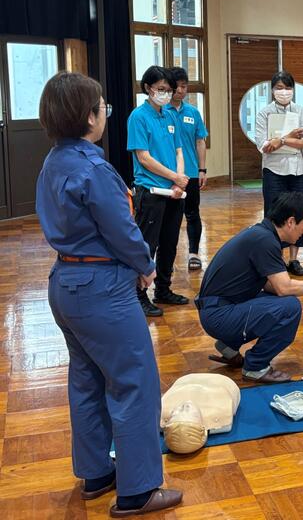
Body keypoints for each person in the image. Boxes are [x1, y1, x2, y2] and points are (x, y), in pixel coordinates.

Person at [35, 72, 182, 516]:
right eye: (103, 108)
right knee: (135, 382)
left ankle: (97, 473)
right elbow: (122, 230)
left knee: (86, 381)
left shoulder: (52, 162)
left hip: (65, 283)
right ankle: (138, 490)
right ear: (89, 116)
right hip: (101, 289)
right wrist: (146, 266)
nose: (105, 115)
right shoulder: (94, 169)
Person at [196, 192, 303, 383]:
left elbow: (272, 285)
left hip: (216, 309)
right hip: (218, 315)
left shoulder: (262, 234)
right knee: (290, 307)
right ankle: (256, 367)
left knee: (278, 300)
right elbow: (284, 288)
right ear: (291, 222)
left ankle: (229, 345)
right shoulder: (265, 240)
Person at [127, 65, 189, 317]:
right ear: (148, 88)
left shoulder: (170, 116)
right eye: (161, 89)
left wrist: (179, 182)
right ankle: (138, 294)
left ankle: (163, 289)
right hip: (151, 191)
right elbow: (144, 158)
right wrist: (174, 177)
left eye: (169, 90)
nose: (165, 93)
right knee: (146, 246)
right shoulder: (138, 117)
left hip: (174, 192)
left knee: (169, 244)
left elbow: (179, 151)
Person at [254, 71, 303, 277]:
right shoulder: (264, 113)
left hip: (299, 170)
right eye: (279, 88)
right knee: (275, 213)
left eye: (288, 88)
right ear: (272, 90)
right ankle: (276, 259)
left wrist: (280, 140)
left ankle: (294, 259)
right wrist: (289, 136)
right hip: (274, 170)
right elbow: (265, 147)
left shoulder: (301, 112)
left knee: (300, 212)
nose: (284, 92)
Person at [166, 66, 209, 271]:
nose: (181, 90)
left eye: (184, 86)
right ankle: (167, 256)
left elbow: (200, 141)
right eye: (177, 87)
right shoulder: (161, 112)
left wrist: (202, 170)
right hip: (167, 174)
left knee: (192, 213)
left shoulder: (193, 112)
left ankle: (194, 254)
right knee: (168, 217)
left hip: (190, 172)